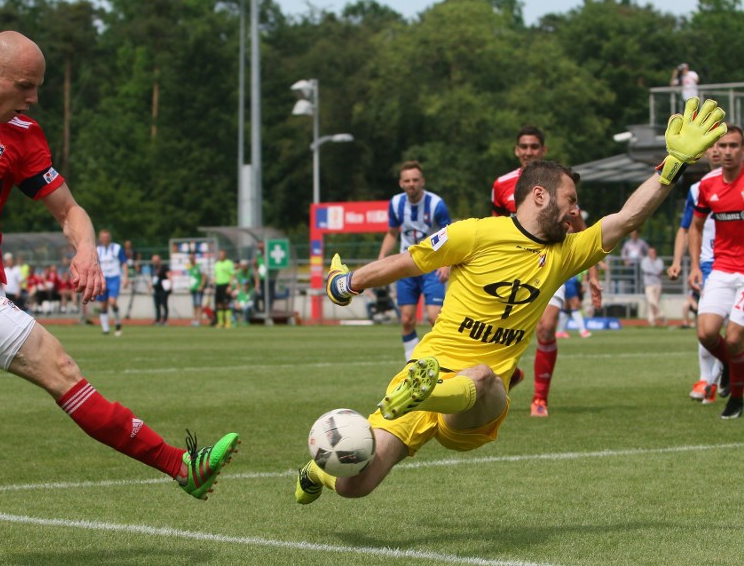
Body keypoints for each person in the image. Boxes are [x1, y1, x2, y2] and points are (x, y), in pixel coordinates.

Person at [295, 97, 726, 504]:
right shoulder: (474, 233)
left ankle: (425, 394)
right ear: (540, 195)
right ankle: (315, 473)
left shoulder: (565, 253)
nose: (576, 213)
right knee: (356, 486)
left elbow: (628, 217)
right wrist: (346, 283)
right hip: (428, 368)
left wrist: (673, 164)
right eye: (570, 200)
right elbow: (409, 262)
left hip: (476, 404)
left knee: (482, 375)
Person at [0, 31, 239, 497]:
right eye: (26, 86)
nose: (33, 99)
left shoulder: (20, 136)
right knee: (58, 366)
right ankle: (180, 465)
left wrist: (86, 248)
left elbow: (70, 211)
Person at [492, 126, 601, 416]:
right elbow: (494, 228)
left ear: (543, 151)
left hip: (551, 260)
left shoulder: (559, 183)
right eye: (524, 147)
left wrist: (592, 276)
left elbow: (580, 228)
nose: (529, 152)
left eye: (535, 147)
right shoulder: (501, 184)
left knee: (546, 327)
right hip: (512, 266)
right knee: (497, 329)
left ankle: (540, 398)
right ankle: (508, 374)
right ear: (517, 150)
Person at [688, 125, 744, 419]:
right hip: (721, 269)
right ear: (715, 150)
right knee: (706, 333)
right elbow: (695, 227)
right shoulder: (707, 186)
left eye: (734, 146)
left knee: (734, 338)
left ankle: (736, 396)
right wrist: (695, 265)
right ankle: (734, 368)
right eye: (722, 146)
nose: (727, 152)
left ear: (742, 149)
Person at [377, 161, 451, 361]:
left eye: (415, 180)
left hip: (432, 266)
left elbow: (449, 235)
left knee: (434, 317)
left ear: (422, 181)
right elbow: (392, 232)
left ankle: (446, 360)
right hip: (406, 266)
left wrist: (446, 264)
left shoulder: (436, 204)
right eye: (407, 180)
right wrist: (382, 257)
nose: (412, 184)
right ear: (401, 183)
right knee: (407, 319)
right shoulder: (395, 203)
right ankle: (412, 363)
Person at [667, 143, 724, 402]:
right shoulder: (698, 188)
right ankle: (707, 380)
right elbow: (686, 228)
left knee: (735, 331)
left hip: (738, 264)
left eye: (725, 145)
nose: (717, 151)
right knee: (705, 327)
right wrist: (681, 262)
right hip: (709, 264)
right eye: (712, 146)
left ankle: (720, 377)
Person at [95, 229, 128, 336]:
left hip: (114, 278)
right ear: (100, 239)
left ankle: (118, 323)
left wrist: (125, 277)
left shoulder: (117, 248)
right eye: (103, 237)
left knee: (112, 301)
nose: (105, 239)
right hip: (102, 279)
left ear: (110, 238)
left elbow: (124, 263)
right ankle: (105, 329)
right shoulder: (97, 250)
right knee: (103, 305)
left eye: (107, 237)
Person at [640, 247, 665, 326]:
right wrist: (655, 271)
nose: (652, 254)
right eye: (650, 252)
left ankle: (652, 320)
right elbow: (646, 270)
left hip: (658, 284)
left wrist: (653, 271)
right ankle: (661, 314)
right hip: (648, 284)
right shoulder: (645, 261)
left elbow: (659, 270)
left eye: (653, 252)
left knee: (653, 303)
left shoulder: (659, 261)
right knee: (651, 300)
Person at [213, 248, 236, 329]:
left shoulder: (229, 263)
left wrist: (230, 286)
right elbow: (215, 275)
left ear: (225, 254)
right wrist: (213, 282)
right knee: (219, 304)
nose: (221, 255)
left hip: (226, 285)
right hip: (218, 286)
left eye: (222, 254)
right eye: (220, 254)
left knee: (226, 304)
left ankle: (228, 322)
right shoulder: (217, 264)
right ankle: (220, 322)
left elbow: (232, 275)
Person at [150, 254, 171, 326]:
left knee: (164, 305)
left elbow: (169, 276)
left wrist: (170, 286)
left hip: (163, 290)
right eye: (153, 260)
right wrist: (149, 287)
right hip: (156, 289)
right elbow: (153, 279)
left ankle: (165, 320)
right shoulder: (153, 269)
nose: (154, 262)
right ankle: (157, 319)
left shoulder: (164, 268)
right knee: (157, 305)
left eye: (156, 260)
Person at [187, 254, 206, 326]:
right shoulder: (190, 267)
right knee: (194, 304)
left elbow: (204, 276)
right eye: (189, 259)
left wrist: (202, 285)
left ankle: (199, 319)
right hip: (193, 288)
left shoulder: (199, 266)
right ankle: (194, 319)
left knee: (198, 304)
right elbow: (190, 277)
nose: (190, 260)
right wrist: (189, 286)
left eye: (191, 259)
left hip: (198, 288)